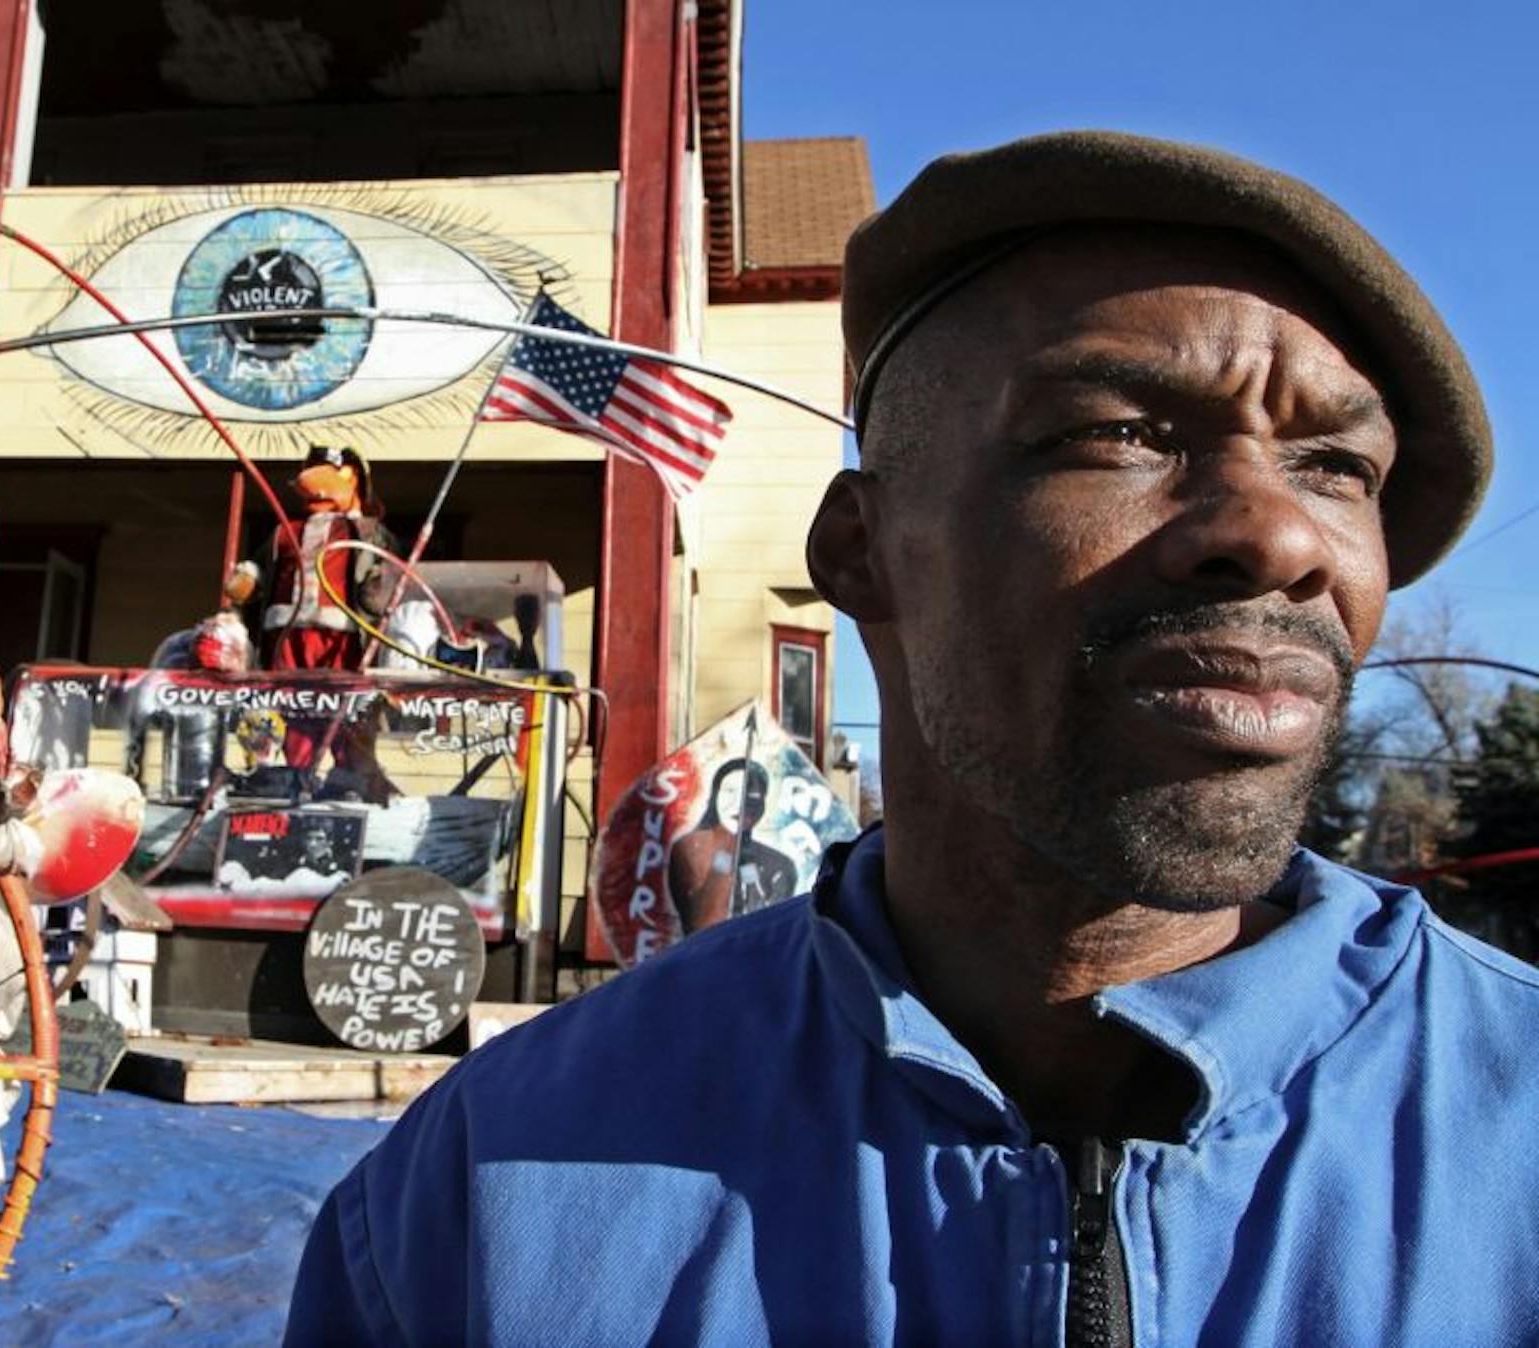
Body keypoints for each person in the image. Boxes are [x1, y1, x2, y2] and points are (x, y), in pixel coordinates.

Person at [284, 130, 1539, 1346]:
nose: (1281, 536)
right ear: (860, 548)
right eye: (1120, 433)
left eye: (1336, 467)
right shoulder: (485, 1194)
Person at [667, 758, 799, 930]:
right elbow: (701, 920)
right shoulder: (690, 848)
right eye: (730, 791)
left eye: (751, 795)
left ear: (762, 804)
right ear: (715, 795)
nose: (739, 803)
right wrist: (725, 855)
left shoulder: (780, 865)